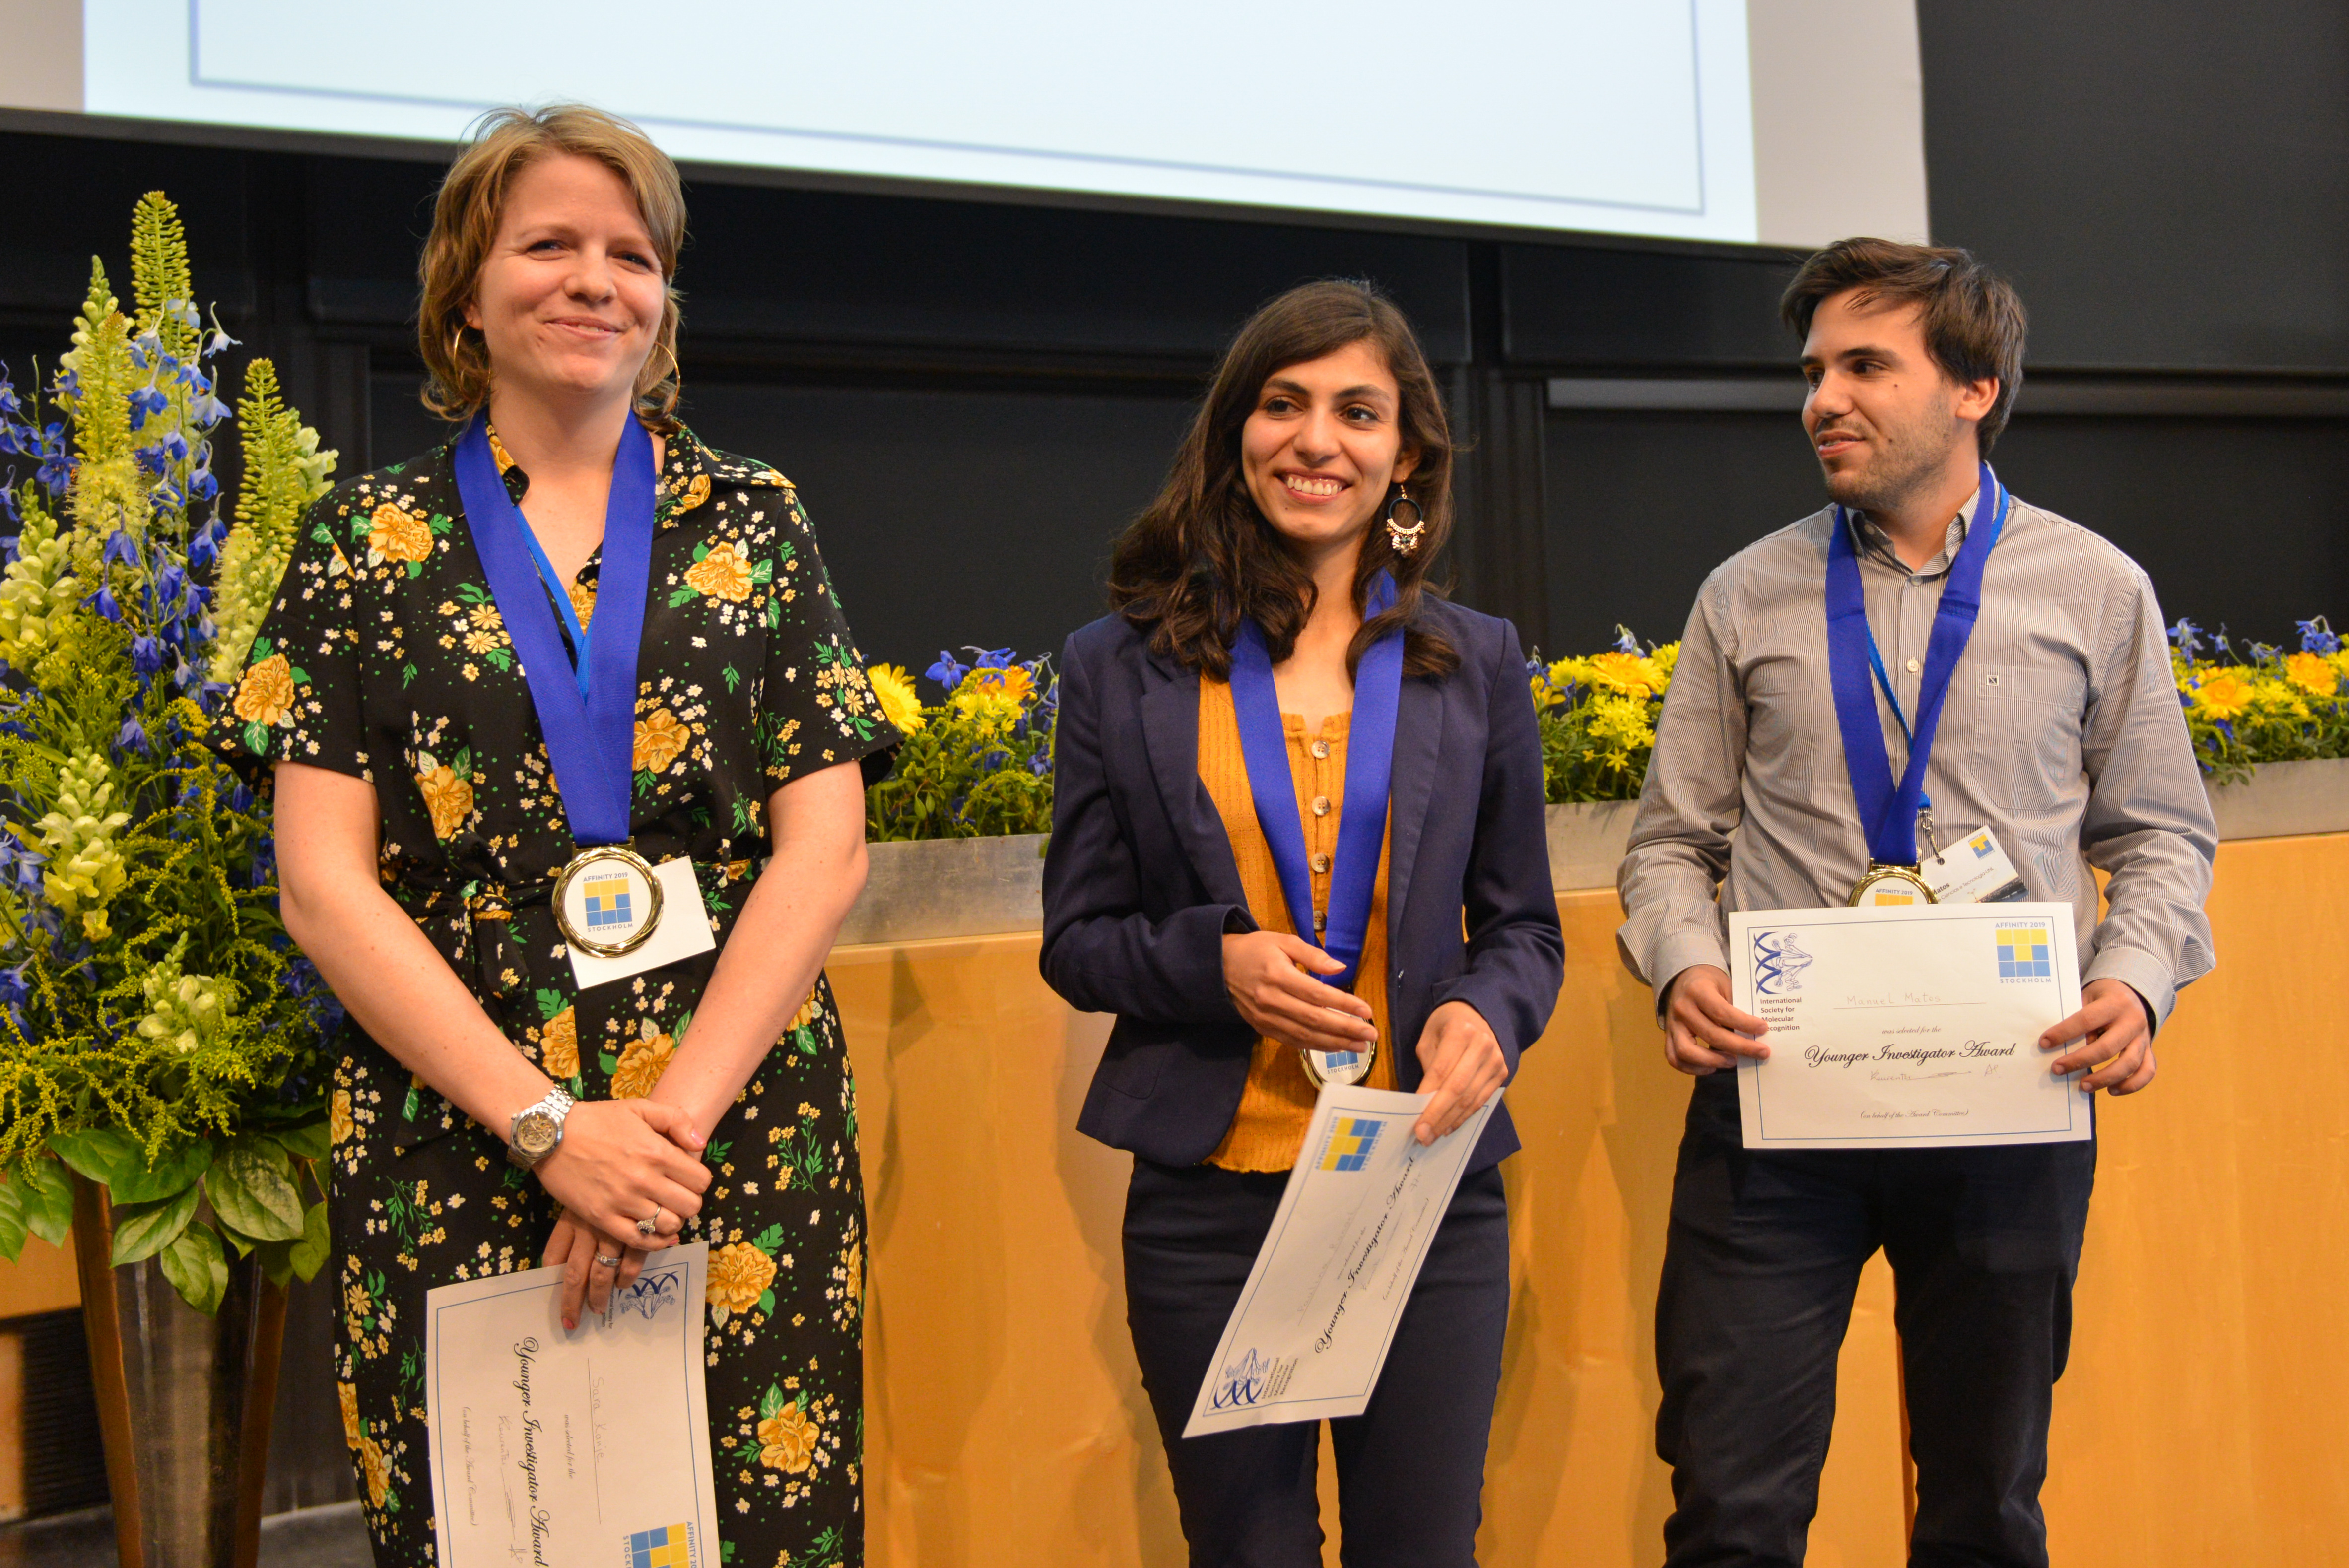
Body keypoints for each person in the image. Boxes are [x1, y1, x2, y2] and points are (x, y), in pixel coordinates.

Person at [240, 105, 897, 1563]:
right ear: (466, 294)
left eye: (632, 255)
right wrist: (549, 1127)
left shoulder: (756, 519)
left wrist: (655, 1143)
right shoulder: (360, 542)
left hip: (732, 1124)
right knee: (501, 1527)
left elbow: (826, 851)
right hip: (458, 1123)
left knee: (758, 1523)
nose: (596, 280)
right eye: (549, 245)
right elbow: (322, 886)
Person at [1617, 238, 2217, 1567]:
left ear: (1973, 388)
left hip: (2010, 1105)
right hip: (1774, 1111)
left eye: (1864, 367)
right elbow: (1670, 846)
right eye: (1813, 371)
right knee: (1729, 1509)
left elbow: (2163, 835)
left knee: (1984, 1510)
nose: (1821, 400)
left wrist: (2132, 985)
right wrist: (1682, 965)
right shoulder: (1744, 594)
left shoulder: (2096, 588)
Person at [1040, 279, 1564, 1566]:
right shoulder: (1119, 665)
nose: (1316, 440)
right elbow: (1079, 937)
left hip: (1419, 1192)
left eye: (1357, 412)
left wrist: (1489, 1018)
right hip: (1208, 1207)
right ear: (1237, 432)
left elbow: (1525, 932)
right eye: (1284, 404)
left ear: (1406, 456)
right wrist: (1212, 963)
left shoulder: (1478, 661)